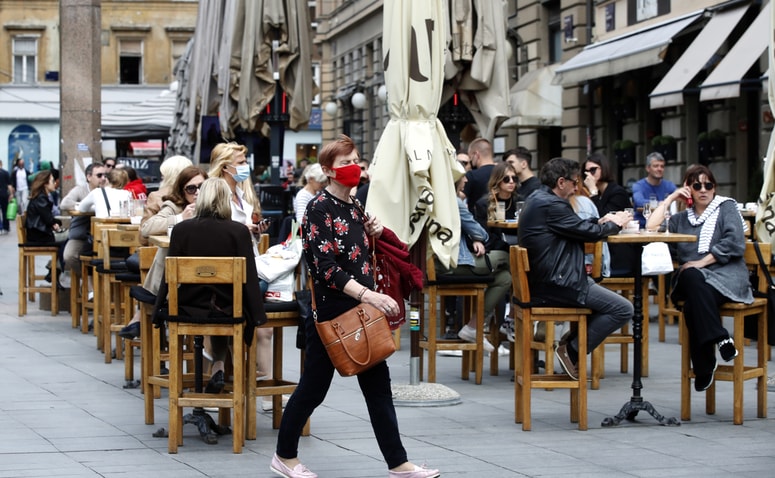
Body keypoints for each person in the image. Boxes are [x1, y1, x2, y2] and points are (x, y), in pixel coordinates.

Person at [272, 134, 439, 478]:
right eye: (345, 162)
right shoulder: (319, 208)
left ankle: (399, 463)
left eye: (356, 160)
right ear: (327, 170)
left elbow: (358, 254)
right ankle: (284, 456)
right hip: (333, 314)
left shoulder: (354, 205)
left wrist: (373, 233)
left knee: (378, 389)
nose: (354, 167)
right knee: (313, 390)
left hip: (360, 313)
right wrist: (369, 295)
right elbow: (324, 268)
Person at [518, 158, 633, 380]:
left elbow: (575, 226)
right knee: (623, 309)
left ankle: (571, 343)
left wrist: (600, 221)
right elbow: (588, 233)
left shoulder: (539, 198)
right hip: (558, 283)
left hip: (550, 279)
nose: (577, 187)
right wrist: (616, 224)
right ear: (561, 182)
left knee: (604, 304)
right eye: (575, 182)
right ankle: (571, 350)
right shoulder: (552, 204)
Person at [156, 177, 266, 394]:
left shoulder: (181, 230)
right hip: (227, 307)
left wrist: (160, 308)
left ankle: (216, 367)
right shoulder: (238, 231)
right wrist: (257, 316)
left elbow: (168, 276)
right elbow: (249, 277)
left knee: (216, 303)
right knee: (228, 305)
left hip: (188, 307)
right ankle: (225, 370)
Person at [646, 164, 749, 391]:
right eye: (697, 185)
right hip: (693, 279)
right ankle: (721, 338)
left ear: (714, 188)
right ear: (688, 189)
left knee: (693, 302)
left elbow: (735, 243)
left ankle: (704, 366)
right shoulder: (680, 219)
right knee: (691, 275)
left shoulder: (726, 207)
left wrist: (702, 262)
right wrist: (671, 197)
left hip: (726, 276)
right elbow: (650, 227)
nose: (703, 190)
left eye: (708, 185)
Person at [118, 166, 208, 339]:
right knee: (167, 250)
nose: (197, 192)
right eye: (191, 188)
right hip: (176, 279)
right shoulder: (175, 207)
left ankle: (141, 317)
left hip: (204, 277)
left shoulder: (215, 207)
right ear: (182, 191)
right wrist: (180, 218)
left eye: (202, 187)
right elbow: (146, 228)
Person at [441, 174, 511, 353]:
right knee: (509, 258)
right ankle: (514, 319)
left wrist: (474, 237)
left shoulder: (435, 199)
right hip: (453, 264)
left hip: (437, 264)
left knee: (505, 278)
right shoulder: (454, 202)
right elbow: (481, 232)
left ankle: (474, 327)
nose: (466, 180)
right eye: (462, 177)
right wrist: (476, 237)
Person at [581, 152, 632, 276]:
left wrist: (593, 192)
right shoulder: (593, 193)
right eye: (585, 172)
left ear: (603, 169)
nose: (588, 175)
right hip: (603, 249)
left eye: (593, 170)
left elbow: (605, 220)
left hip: (619, 253)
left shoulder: (617, 192)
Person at [59, 161, 108, 283]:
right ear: (89, 177)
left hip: (104, 237)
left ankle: (102, 286)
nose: (103, 178)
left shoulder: (108, 191)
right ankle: (87, 281)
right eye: (99, 175)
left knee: (115, 258)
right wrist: (83, 206)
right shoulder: (80, 190)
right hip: (81, 235)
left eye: (105, 175)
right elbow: (64, 204)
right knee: (69, 256)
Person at [25, 170, 66, 286]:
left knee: (68, 239)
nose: (55, 183)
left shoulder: (40, 197)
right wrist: (56, 223)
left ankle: (54, 270)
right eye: (52, 181)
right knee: (70, 238)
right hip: (39, 236)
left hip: (38, 234)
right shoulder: (41, 198)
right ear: (45, 184)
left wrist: (54, 223)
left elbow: (48, 218)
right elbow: (48, 219)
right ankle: (55, 270)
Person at [474, 162, 519, 253]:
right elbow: (484, 232)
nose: (511, 182)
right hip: (497, 247)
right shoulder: (484, 204)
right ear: (498, 180)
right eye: (506, 179)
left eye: (514, 178)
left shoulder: (519, 201)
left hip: (518, 244)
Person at [632, 152, 676, 227]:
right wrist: (660, 204)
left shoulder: (669, 185)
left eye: (662, 166)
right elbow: (639, 201)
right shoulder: (639, 185)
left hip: (663, 226)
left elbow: (678, 200)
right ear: (648, 168)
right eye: (656, 166)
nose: (659, 169)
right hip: (642, 226)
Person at [463, 137, 496, 212]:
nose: (470, 161)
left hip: (477, 216)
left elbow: (460, 197)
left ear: (476, 154)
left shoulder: (472, 175)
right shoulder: (504, 173)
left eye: (470, 157)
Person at [0, 160, 11, 235]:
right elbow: (9, 185)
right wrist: (11, 194)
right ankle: (6, 227)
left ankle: (0, 228)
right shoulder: (6, 172)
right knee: (5, 211)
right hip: (4, 194)